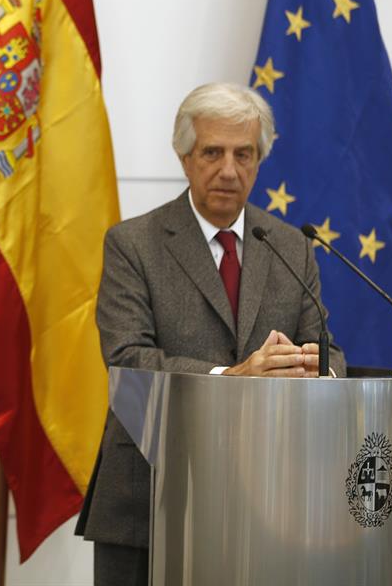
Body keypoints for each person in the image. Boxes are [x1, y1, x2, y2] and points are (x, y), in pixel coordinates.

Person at [76, 82, 345, 586]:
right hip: (149, 497)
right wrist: (233, 375)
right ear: (184, 157)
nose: (228, 170)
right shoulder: (134, 243)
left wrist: (315, 368)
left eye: (243, 154)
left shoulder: (290, 245)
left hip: (266, 502)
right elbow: (128, 360)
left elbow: (328, 352)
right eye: (212, 152)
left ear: (260, 160)